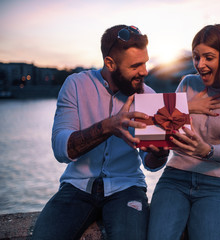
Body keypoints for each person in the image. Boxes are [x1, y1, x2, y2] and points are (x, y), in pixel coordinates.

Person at [32, 24, 169, 240]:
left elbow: (150, 164)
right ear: (110, 63)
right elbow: (61, 148)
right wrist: (108, 126)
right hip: (76, 186)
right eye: (135, 65)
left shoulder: (148, 95)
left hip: (127, 187)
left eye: (145, 62)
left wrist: (160, 152)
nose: (144, 71)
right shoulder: (76, 85)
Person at [148, 24, 220, 240]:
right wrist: (187, 107)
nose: (200, 65)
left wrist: (205, 150)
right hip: (174, 178)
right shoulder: (187, 83)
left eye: (209, 57)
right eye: (196, 57)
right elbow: (159, 126)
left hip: (216, 183)